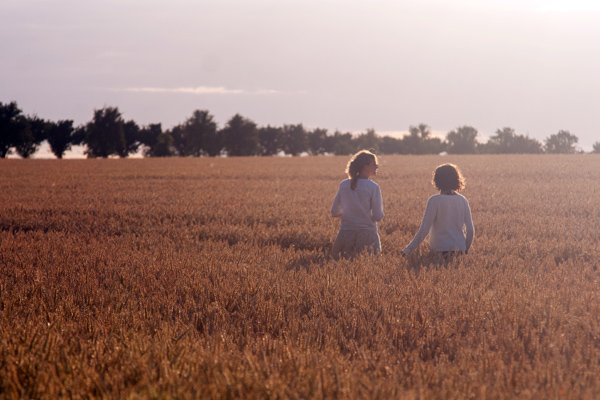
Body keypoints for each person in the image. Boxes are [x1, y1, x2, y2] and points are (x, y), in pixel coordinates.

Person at [402, 163, 474, 257]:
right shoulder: (463, 200)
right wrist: (465, 249)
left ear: (437, 180)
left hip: (439, 251)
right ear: (457, 179)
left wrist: (407, 250)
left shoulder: (434, 200)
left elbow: (424, 230)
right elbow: (470, 230)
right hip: (459, 250)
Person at [330, 150, 384, 259]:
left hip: (345, 235)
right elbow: (378, 216)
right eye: (374, 164)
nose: (377, 166)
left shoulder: (344, 185)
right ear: (365, 167)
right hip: (368, 236)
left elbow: (334, 212)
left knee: (341, 266)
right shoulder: (373, 187)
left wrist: (350, 217)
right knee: (369, 266)